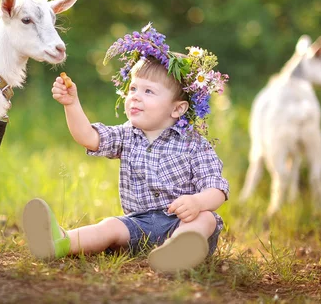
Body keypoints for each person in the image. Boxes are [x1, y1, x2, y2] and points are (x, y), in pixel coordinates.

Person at [22, 23, 230, 272]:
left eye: (149, 91)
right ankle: (59, 242)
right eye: (133, 89)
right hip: (139, 225)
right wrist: (71, 104)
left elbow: (216, 188)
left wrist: (197, 202)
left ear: (177, 109)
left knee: (205, 218)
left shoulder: (195, 145)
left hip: (183, 223)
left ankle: (178, 251)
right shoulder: (127, 135)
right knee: (109, 226)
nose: (135, 96)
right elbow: (89, 137)